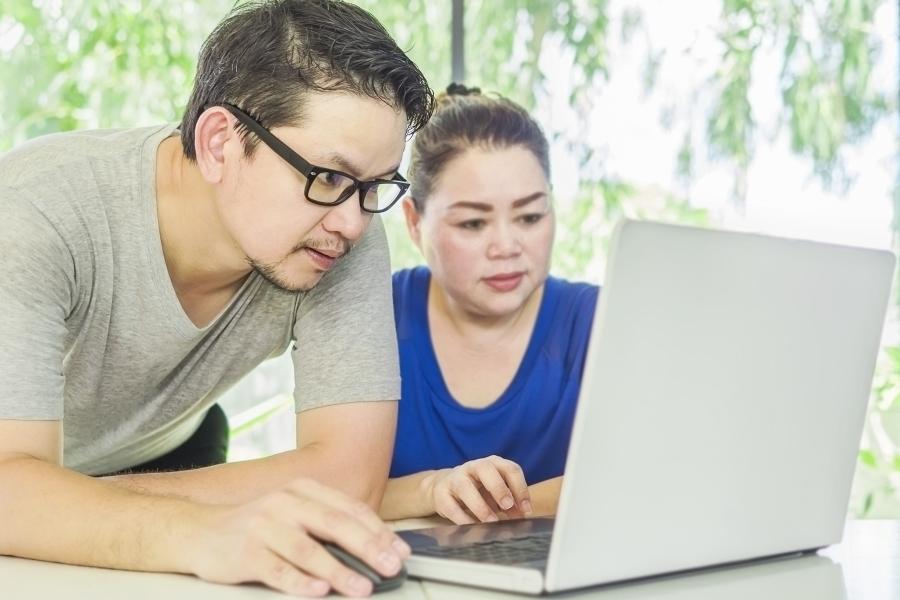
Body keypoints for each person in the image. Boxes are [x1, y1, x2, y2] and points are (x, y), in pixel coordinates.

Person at [0, 1, 434, 597]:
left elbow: (348, 476)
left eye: (375, 187)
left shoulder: (342, 226)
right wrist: (191, 529)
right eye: (328, 177)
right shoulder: (34, 211)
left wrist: (61, 499)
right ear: (219, 144)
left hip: (166, 457)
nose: (354, 223)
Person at [379, 85, 599, 525]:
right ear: (414, 222)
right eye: (474, 223)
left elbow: (644, 477)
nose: (506, 246)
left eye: (530, 217)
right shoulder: (377, 315)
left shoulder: (599, 321)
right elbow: (329, 489)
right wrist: (433, 489)